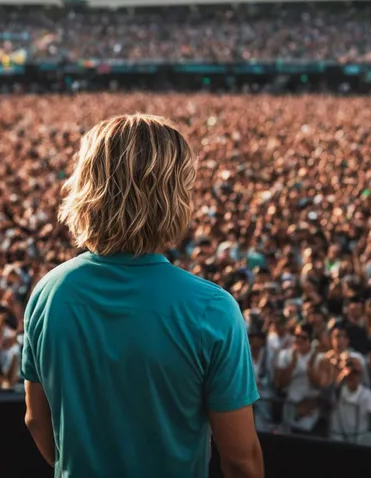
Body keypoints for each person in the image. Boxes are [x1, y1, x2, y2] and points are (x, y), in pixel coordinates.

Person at [20, 114, 263, 478]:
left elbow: (37, 420)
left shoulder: (48, 292)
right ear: (173, 195)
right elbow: (241, 460)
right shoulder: (212, 310)